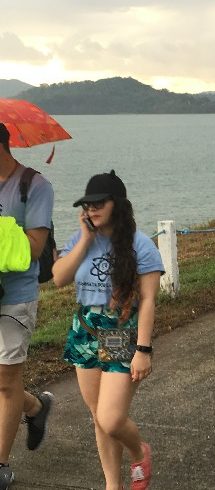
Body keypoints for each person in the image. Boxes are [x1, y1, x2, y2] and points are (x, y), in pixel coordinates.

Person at [52, 170, 164, 489]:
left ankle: (139, 450)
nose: (92, 209)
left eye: (99, 203)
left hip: (118, 332)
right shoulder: (82, 240)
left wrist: (143, 350)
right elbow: (59, 277)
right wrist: (85, 240)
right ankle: (112, 485)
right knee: (97, 416)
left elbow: (148, 301)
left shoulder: (140, 245)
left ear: (118, 204)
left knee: (111, 418)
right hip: (86, 328)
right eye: (87, 205)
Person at [0, 123, 55, 489]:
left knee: (5, 381)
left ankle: (0, 465)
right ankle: (35, 408)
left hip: (15, 296)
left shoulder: (34, 186)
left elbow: (34, 247)